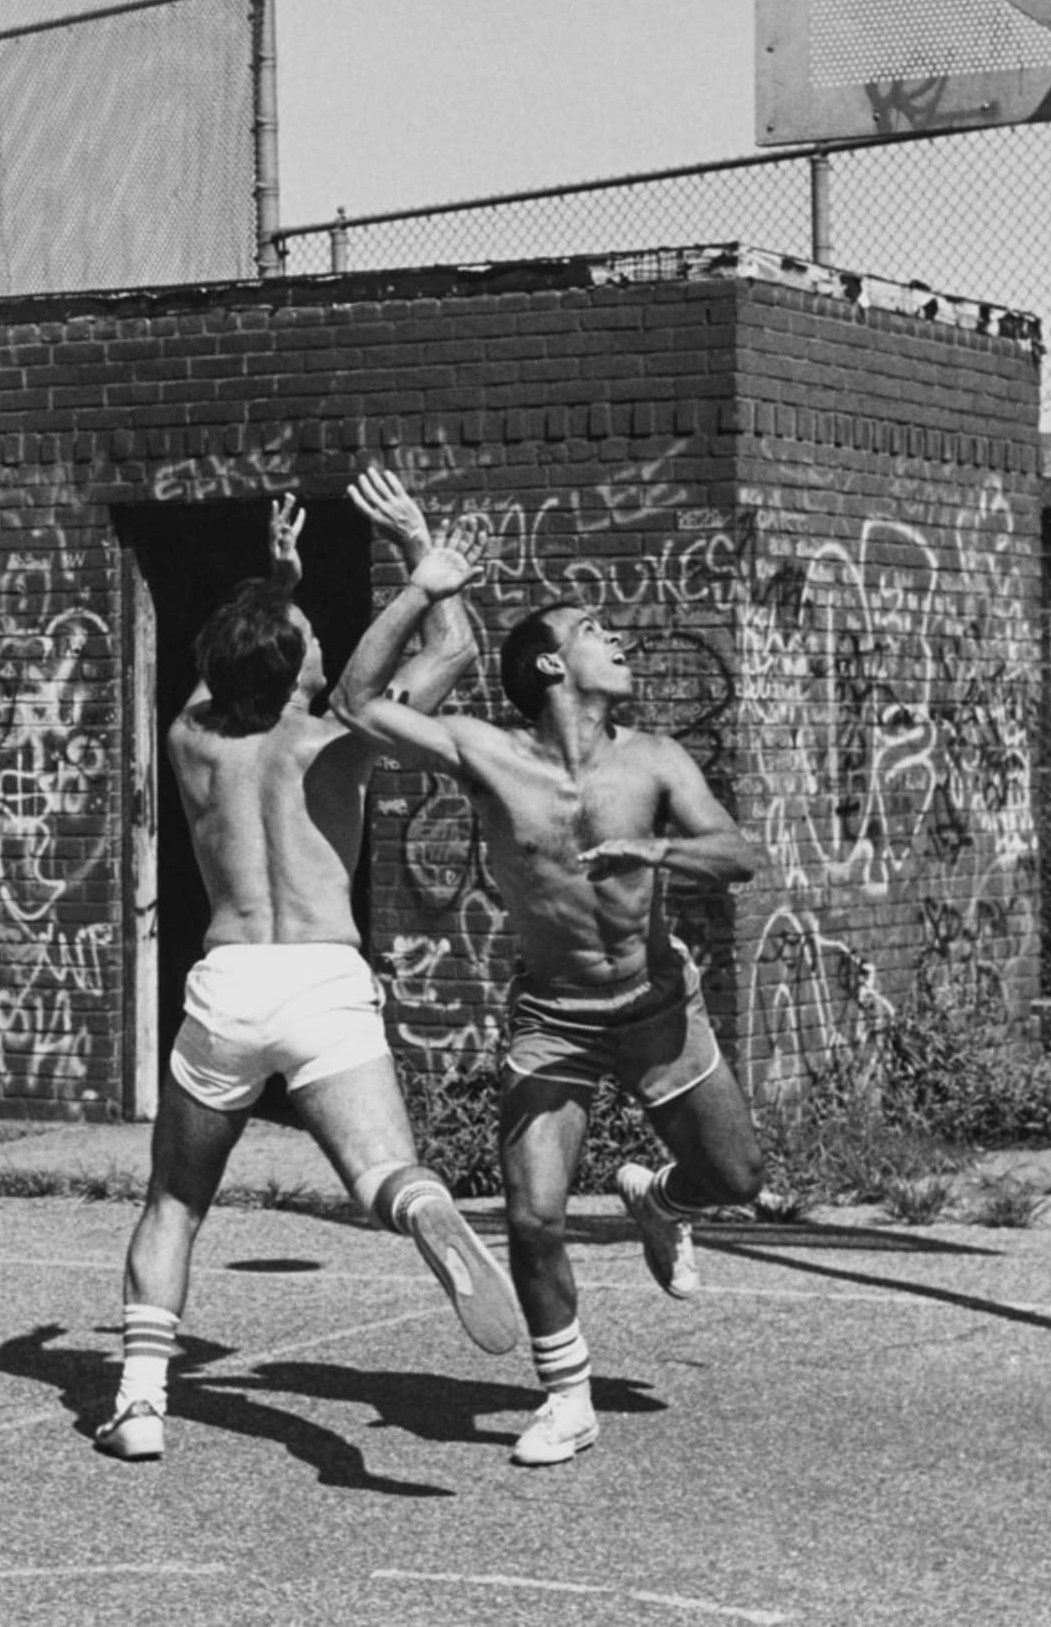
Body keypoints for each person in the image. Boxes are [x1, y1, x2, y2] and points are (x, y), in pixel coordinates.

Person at [94, 471, 518, 1463]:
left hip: (230, 984)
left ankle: (141, 1406)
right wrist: (427, 560)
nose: (323, 637)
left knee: (174, 1203)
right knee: (388, 1174)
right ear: (295, 663)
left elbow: (226, 661)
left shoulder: (192, 738)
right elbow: (451, 646)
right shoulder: (341, 740)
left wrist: (274, 577)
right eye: (311, 633)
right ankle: (422, 1213)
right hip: (323, 981)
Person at [330, 556, 765, 1468]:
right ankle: (567, 1397)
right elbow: (357, 700)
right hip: (554, 1016)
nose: (620, 639)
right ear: (552, 667)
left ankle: (660, 1198)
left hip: (655, 1004)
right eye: (596, 630)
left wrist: (655, 852)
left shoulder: (653, 759)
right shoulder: (489, 753)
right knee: (532, 1215)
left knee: (735, 1178)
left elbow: (736, 853)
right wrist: (424, 585)